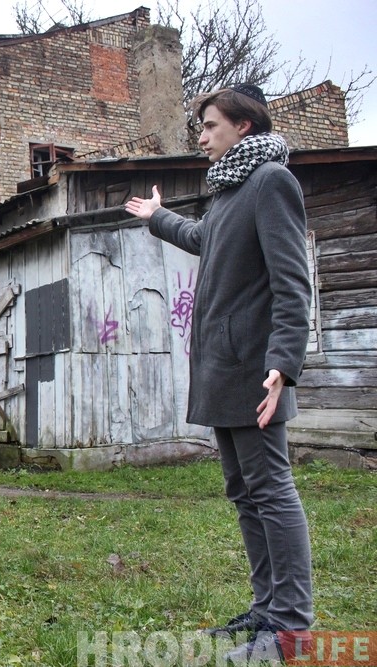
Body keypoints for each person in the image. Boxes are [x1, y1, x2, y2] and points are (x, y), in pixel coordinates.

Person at [125, 84, 313, 664]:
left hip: (256, 373)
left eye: (210, 125)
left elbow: (293, 283)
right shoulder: (231, 191)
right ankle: (266, 609)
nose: (202, 137)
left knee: (271, 491)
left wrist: (283, 365)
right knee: (245, 492)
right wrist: (158, 217)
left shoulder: (271, 181)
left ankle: (290, 631)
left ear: (243, 126)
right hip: (222, 369)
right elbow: (204, 239)